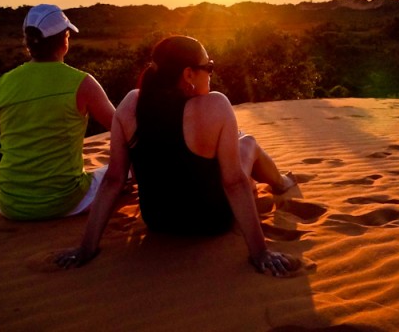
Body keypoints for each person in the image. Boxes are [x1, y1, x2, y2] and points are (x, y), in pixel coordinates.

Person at [55, 35, 299, 276]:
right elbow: (233, 182)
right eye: (208, 67)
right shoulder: (215, 105)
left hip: (159, 220)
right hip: (212, 221)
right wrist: (260, 253)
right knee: (248, 143)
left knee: (238, 145)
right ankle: (281, 182)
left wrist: (86, 248)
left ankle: (278, 181)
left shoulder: (131, 104)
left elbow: (113, 180)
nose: (211, 72)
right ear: (188, 74)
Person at [0, 4, 115, 220]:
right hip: (64, 200)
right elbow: (121, 128)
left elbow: (7, 135)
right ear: (65, 39)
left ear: (28, 42)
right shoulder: (82, 83)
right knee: (126, 169)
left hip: (10, 203)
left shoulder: (5, 82)